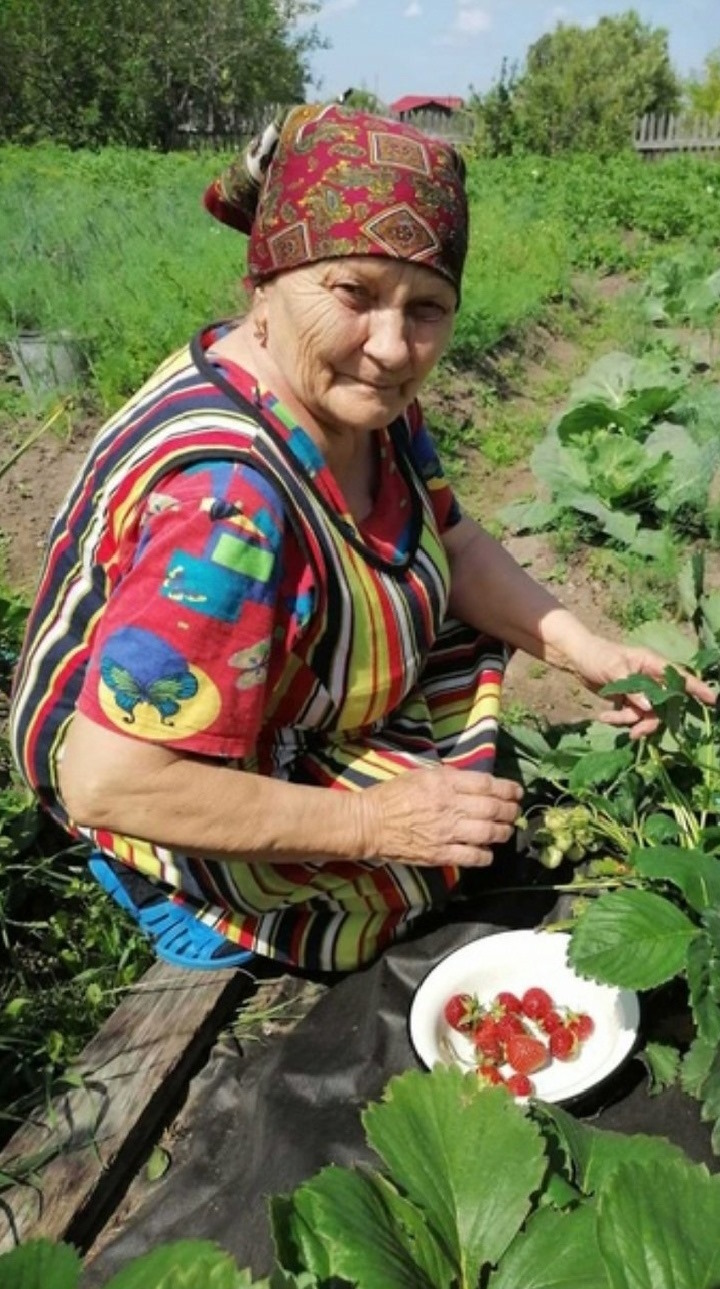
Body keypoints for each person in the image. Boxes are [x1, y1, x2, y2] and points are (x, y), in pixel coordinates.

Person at [9, 103, 713, 975]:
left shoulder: (359, 400)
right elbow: (108, 779)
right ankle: (165, 888)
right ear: (264, 281)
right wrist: (376, 822)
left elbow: (451, 539)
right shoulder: (231, 505)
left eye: (427, 308)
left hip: (254, 698)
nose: (391, 347)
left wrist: (587, 651)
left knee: (457, 730)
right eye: (354, 293)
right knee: (414, 870)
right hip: (148, 770)